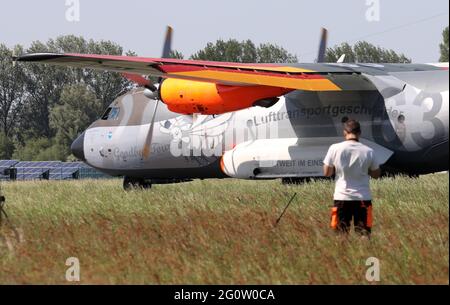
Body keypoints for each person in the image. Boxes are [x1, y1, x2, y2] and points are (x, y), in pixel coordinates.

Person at [323, 119, 381, 236]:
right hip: (363, 198)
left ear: (345, 132)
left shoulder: (334, 148)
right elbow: (376, 175)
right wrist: (366, 169)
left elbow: (327, 173)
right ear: (359, 133)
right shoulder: (369, 151)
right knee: (364, 234)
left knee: (340, 234)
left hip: (341, 198)